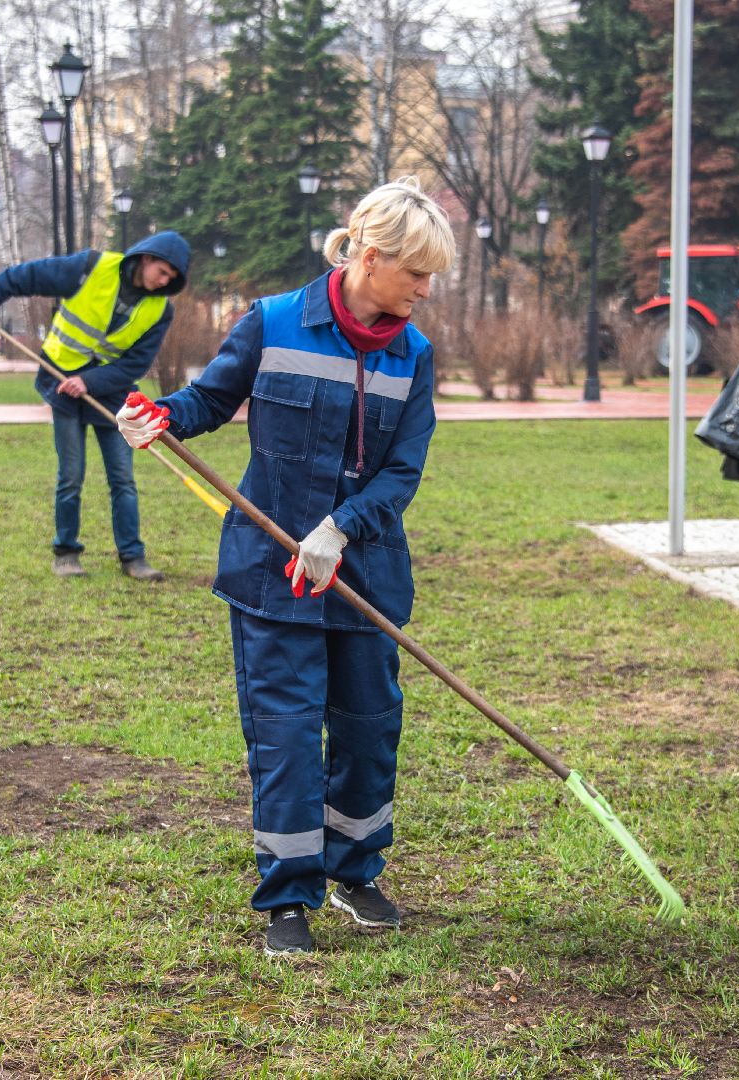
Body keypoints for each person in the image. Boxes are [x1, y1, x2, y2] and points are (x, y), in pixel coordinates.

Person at [115, 178, 455, 957]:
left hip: (364, 573)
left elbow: (402, 471)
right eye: (416, 274)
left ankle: (355, 871)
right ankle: (288, 897)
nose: (425, 291)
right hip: (274, 580)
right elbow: (209, 400)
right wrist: (160, 416)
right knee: (288, 736)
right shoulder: (272, 323)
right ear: (370, 258)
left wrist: (341, 528)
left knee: (370, 731)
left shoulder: (415, 354)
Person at [0, 232, 192, 580]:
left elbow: (135, 364)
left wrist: (91, 382)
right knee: (71, 475)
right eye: (162, 271)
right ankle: (66, 553)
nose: (164, 281)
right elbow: (24, 276)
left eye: (171, 279)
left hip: (112, 396)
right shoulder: (90, 268)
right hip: (61, 384)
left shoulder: (161, 310)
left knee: (123, 480)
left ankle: (133, 558)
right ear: (146, 258)